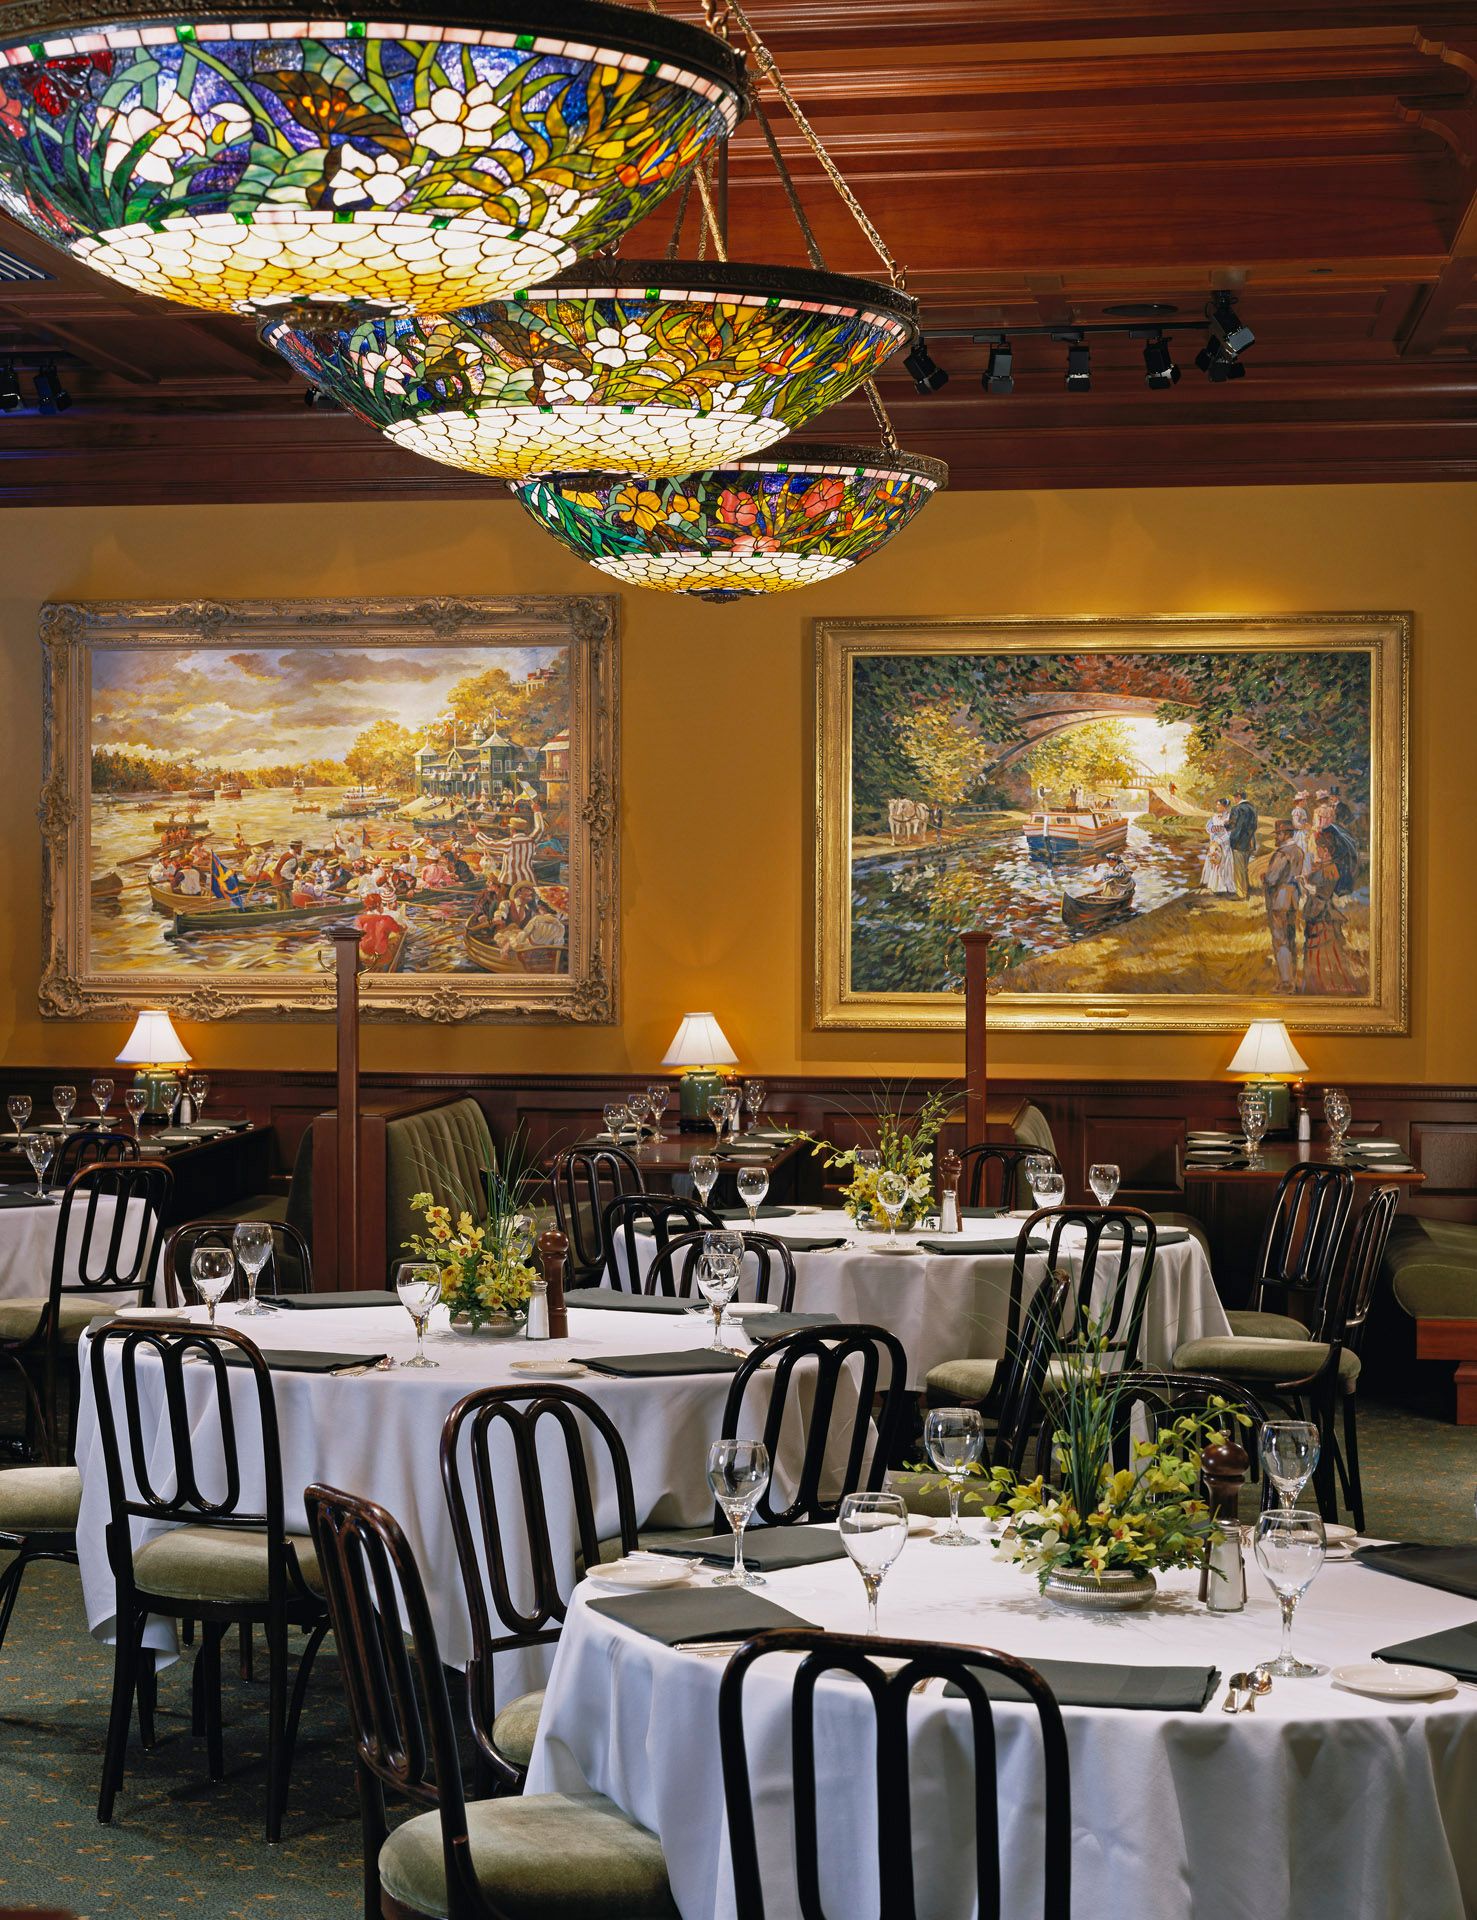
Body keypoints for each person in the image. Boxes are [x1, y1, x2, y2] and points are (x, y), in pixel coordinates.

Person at [1303, 826, 1355, 993]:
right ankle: (1315, 984)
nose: (1316, 849)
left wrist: (1308, 887)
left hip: (1322, 914)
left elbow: (1323, 893)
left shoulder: (1331, 869)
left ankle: (1324, 985)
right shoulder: (1324, 866)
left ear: (1325, 850)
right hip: (1317, 910)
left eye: (1319, 846)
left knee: (1323, 951)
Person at [1261, 818, 1303, 991]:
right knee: (1291, 939)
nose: (1276, 837)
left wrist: (1264, 877)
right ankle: (1291, 979)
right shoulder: (1299, 851)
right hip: (1293, 898)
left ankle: (1286, 982)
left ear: (1286, 834)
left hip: (1280, 900)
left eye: (1278, 834)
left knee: (1280, 940)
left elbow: (1272, 879)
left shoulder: (1282, 854)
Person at [1226, 788, 1259, 898]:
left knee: (1239, 869)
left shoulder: (1237, 809)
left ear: (1239, 797)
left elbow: (1234, 826)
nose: (1234, 799)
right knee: (1244, 867)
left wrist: (1225, 825)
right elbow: (1254, 826)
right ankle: (1246, 888)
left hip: (1239, 842)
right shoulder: (1252, 808)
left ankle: (1241, 893)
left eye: (1235, 797)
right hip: (1250, 842)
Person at [1199, 800, 1236, 895]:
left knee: (1224, 864)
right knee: (1213, 862)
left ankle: (1224, 886)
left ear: (1224, 806)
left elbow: (1230, 832)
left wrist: (1219, 841)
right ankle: (1214, 885)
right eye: (1217, 805)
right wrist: (1212, 829)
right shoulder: (1214, 817)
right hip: (1214, 844)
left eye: (1219, 805)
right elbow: (1208, 827)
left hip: (1224, 844)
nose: (1217, 806)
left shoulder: (1229, 817)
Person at [1291, 791, 1313, 874]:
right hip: (1300, 833)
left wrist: (1307, 826)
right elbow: (1295, 823)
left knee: (1309, 850)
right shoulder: (1297, 811)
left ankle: (1308, 871)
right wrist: (1304, 826)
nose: (1304, 802)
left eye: (1304, 800)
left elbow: (1304, 822)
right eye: (1303, 801)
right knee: (1303, 850)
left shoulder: (1303, 810)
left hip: (1305, 832)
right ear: (1298, 802)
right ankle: (1303, 872)